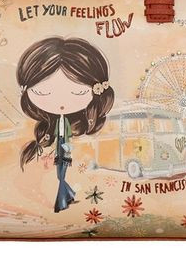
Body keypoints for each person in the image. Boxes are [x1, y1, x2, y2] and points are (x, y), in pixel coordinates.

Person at [17, 37, 114, 212]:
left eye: (79, 92)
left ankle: (64, 196)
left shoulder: (81, 128)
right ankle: (64, 196)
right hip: (60, 159)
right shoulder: (51, 127)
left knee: (63, 175)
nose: (61, 103)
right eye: (42, 92)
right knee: (59, 176)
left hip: (69, 160)